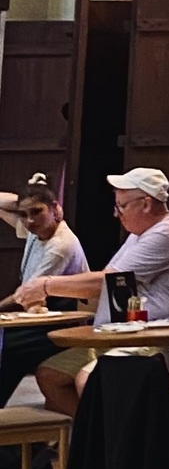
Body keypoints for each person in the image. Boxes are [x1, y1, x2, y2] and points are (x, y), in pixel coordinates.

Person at [37, 169, 169, 418]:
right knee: (51, 375)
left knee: (91, 378)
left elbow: (105, 282)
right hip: (123, 338)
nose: (117, 214)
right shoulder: (139, 235)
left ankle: (114, 440)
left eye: (122, 206)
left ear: (145, 204)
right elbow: (109, 281)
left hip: (163, 341)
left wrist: (45, 285)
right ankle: (96, 436)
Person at [0, 176, 93, 425]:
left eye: (37, 212)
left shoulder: (60, 245)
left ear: (56, 209)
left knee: (7, 348)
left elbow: (26, 294)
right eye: (23, 214)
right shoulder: (36, 230)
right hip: (37, 319)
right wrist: (32, 192)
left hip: (64, 322)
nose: (29, 220)